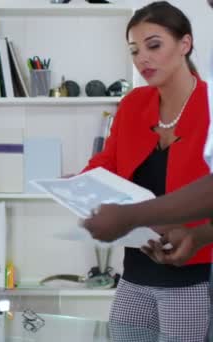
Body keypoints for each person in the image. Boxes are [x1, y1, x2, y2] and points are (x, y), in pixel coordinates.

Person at [79, 2, 211, 341]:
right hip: (136, 271)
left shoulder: (209, 105)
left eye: (154, 45)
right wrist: (76, 185)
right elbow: (106, 163)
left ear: (185, 44)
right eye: (135, 50)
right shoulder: (133, 104)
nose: (142, 59)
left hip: (192, 274)